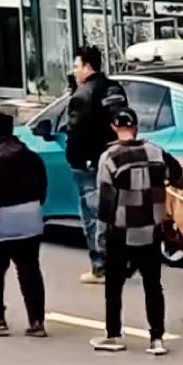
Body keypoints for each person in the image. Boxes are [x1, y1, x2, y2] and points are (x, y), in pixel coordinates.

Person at [92, 105, 183, 356]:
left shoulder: (109, 158)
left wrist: (100, 235)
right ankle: (156, 339)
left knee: (114, 285)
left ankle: (114, 335)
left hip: (121, 232)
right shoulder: (156, 152)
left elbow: (106, 202)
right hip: (151, 231)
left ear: (114, 127)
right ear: (136, 127)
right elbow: (179, 175)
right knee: (153, 285)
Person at [0, 109, 49, 337]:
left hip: (0, 222)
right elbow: (42, 191)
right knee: (30, 270)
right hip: (30, 219)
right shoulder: (32, 156)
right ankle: (37, 322)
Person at [62, 45, 119, 285]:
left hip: (90, 165)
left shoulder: (82, 96)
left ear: (87, 67)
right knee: (112, 214)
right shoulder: (114, 88)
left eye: (76, 66)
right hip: (114, 160)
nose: (74, 71)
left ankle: (100, 267)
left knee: (92, 216)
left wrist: (74, 159)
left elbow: (76, 134)